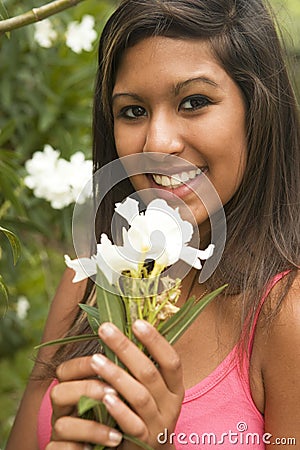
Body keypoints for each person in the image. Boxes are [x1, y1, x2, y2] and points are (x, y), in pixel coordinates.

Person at [6, 0, 300, 449]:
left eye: (194, 102)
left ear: (257, 113)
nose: (158, 142)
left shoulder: (286, 314)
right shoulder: (91, 275)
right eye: (133, 111)